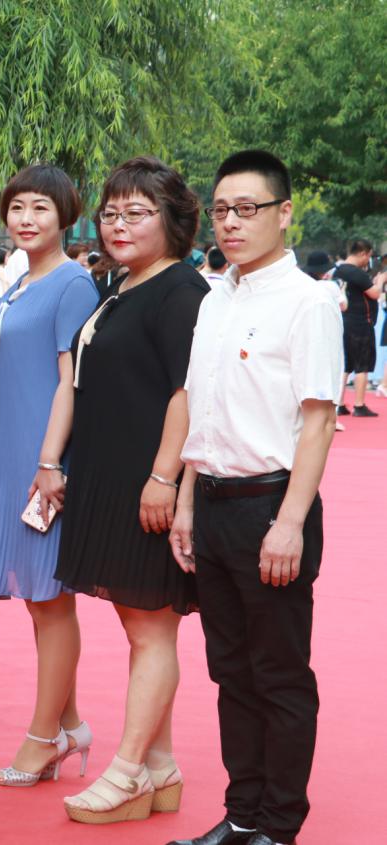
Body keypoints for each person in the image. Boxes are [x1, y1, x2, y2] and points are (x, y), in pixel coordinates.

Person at [167, 150, 341, 845]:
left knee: (278, 673)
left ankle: (278, 824)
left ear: (283, 212)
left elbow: (318, 419)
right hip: (211, 503)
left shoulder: (307, 302)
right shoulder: (215, 297)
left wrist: (289, 523)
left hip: (270, 507)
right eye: (221, 210)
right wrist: (186, 501)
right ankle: (240, 814)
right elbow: (199, 407)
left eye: (247, 209)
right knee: (230, 672)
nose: (231, 223)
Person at [55, 156, 209, 824]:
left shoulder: (181, 290)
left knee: (151, 629)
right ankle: (160, 766)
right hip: (109, 476)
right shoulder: (120, 284)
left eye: (136, 213)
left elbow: (186, 390)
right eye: (110, 212)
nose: (118, 224)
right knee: (138, 624)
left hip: (147, 480)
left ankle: (124, 772)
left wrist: (163, 478)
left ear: (172, 220)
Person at [0, 164, 99, 789]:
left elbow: (69, 381)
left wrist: (50, 461)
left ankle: (42, 737)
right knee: (37, 601)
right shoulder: (23, 281)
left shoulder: (72, 283)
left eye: (40, 208)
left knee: (51, 603)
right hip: (12, 459)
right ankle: (71, 724)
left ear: (65, 217)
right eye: (17, 207)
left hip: (42, 462)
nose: (26, 219)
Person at [333, 239, 380, 416]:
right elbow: (374, 293)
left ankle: (339, 403)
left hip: (344, 321)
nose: (368, 260)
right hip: (360, 322)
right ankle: (359, 405)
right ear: (362, 253)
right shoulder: (356, 273)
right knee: (362, 363)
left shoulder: (338, 270)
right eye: (368, 256)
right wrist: (381, 281)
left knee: (346, 364)